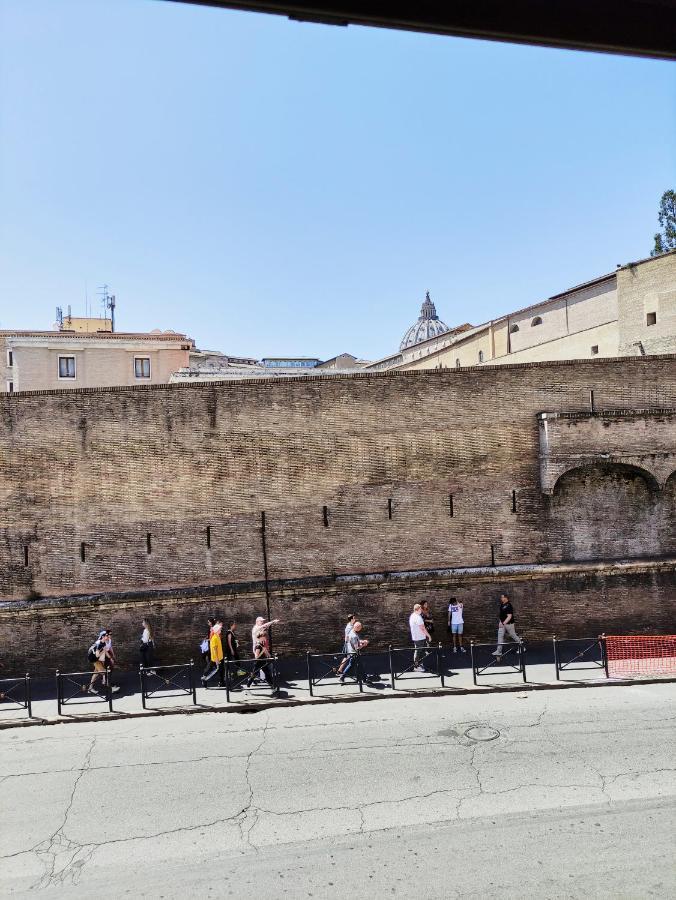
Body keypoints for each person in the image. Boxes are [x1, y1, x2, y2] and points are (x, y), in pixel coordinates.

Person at [248, 616, 280, 687]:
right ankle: (251, 680)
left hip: (261, 648)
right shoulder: (255, 628)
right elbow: (264, 626)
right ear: (257, 622)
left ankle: (268, 682)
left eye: (262, 621)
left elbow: (266, 626)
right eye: (261, 621)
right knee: (258, 667)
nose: (262, 622)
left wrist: (272, 623)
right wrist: (273, 621)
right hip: (258, 648)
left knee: (261, 668)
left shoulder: (260, 628)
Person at [492, 593, 522, 659]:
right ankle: (499, 651)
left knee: (513, 635)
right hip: (503, 624)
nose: (501, 598)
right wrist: (500, 622)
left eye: (502, 597)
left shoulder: (509, 605)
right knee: (500, 636)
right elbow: (501, 615)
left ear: (506, 598)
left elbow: (509, 616)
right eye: (501, 597)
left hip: (509, 624)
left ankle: (522, 648)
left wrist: (503, 623)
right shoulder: (502, 605)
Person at [409, 603, 431, 671]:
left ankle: (420, 664)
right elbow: (423, 628)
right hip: (419, 637)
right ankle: (416, 667)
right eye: (420, 609)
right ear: (417, 609)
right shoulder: (418, 617)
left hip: (417, 637)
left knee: (421, 650)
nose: (421, 610)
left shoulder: (413, 615)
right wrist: (429, 636)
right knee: (418, 651)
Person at [202, 620, 225, 687]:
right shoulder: (214, 638)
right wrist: (217, 659)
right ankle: (205, 679)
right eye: (220, 629)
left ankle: (221, 682)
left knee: (220, 670)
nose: (221, 630)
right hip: (216, 658)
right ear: (217, 630)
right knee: (215, 670)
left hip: (219, 657)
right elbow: (214, 649)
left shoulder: (217, 636)